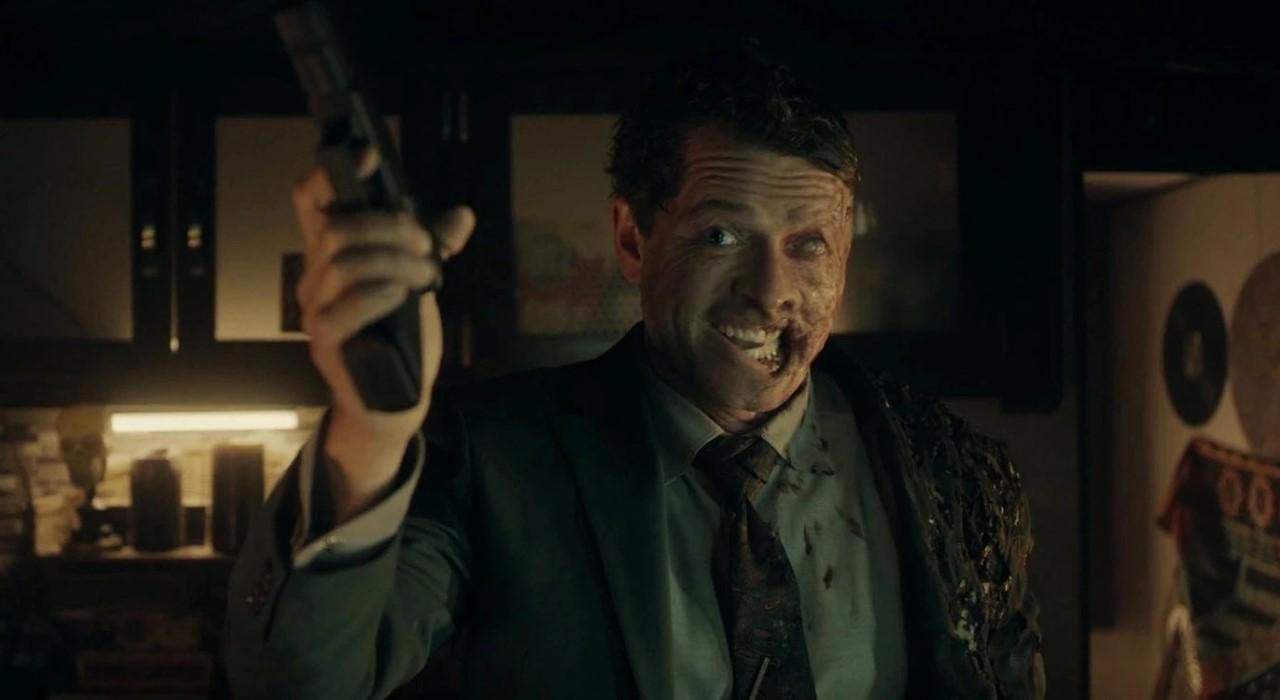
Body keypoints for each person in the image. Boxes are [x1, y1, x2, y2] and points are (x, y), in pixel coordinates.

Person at [224, 44, 1045, 699]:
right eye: (722, 236)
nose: (770, 292)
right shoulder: (494, 462)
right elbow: (302, 682)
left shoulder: (953, 475)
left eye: (808, 245)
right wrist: (371, 426)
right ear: (631, 240)